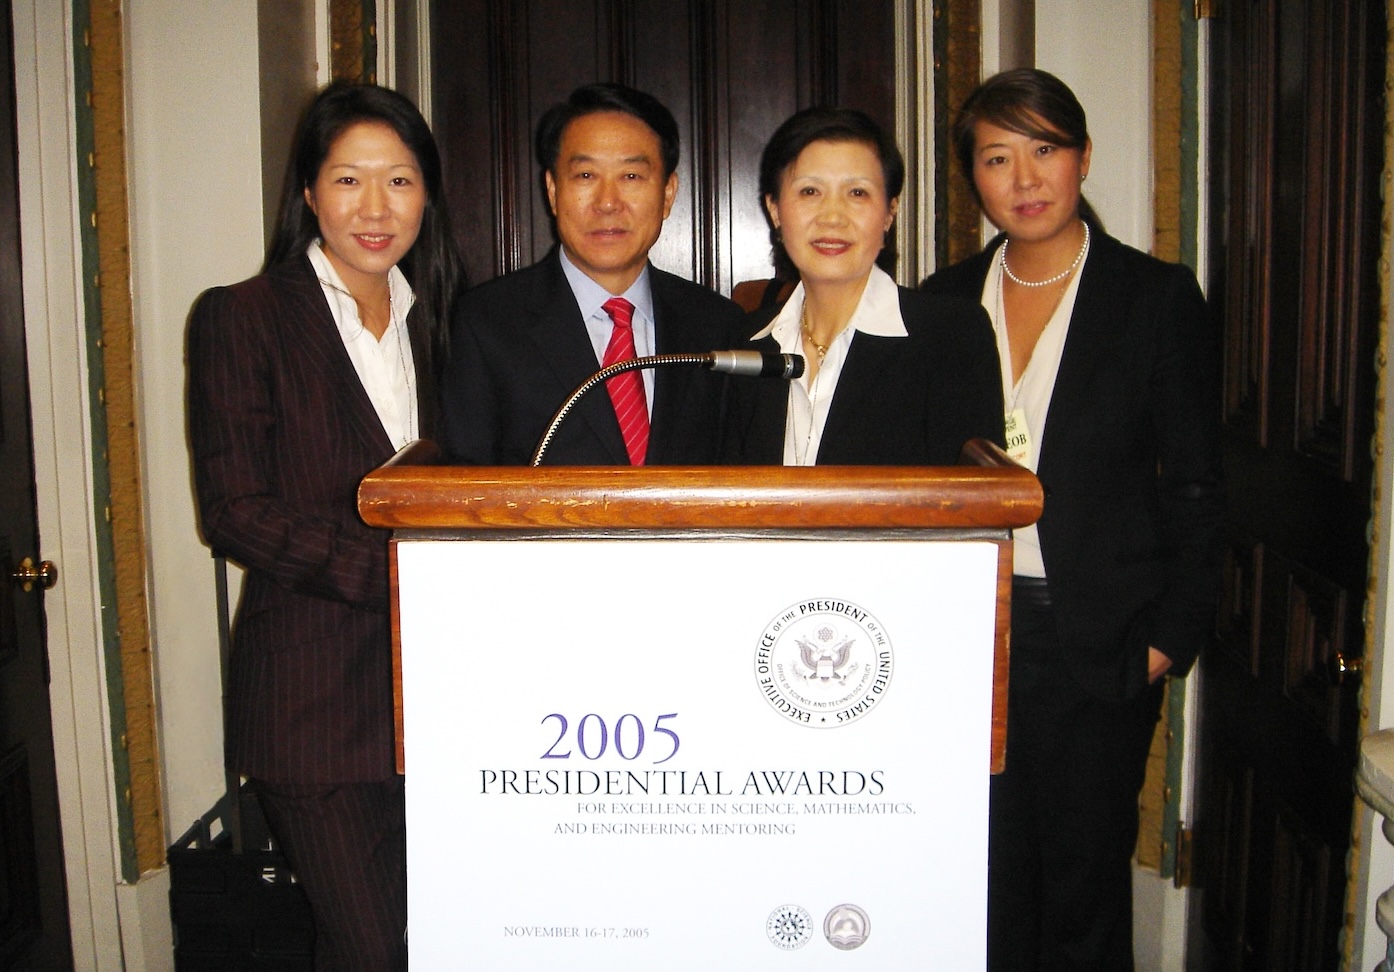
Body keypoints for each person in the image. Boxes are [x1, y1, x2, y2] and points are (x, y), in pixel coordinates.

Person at [922, 69, 1224, 971]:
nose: (1023, 178)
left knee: (1083, 884)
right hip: (967, 635)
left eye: (1044, 149)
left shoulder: (1154, 297)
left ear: (1083, 157)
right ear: (972, 176)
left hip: (1097, 634)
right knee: (980, 873)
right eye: (997, 158)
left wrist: (1167, 639)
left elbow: (1198, 482)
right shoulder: (939, 301)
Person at [187, 81, 462, 971]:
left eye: (400, 181)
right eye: (349, 180)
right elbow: (234, 511)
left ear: (427, 193)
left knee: (440, 936)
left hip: (440, 698)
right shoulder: (245, 315)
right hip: (312, 703)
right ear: (308, 192)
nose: (375, 209)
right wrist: (396, 577)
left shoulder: (442, 324)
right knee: (372, 946)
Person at [438, 82, 745, 465]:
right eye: (585, 176)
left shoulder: (718, 326)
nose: (607, 203)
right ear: (552, 191)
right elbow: (466, 481)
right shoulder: (487, 323)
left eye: (631, 176)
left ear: (668, 193)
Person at [721, 106, 1003, 466]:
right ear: (775, 210)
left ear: (889, 213)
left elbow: (976, 495)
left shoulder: (951, 335)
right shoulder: (746, 344)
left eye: (857, 193)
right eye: (810, 191)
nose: (832, 217)